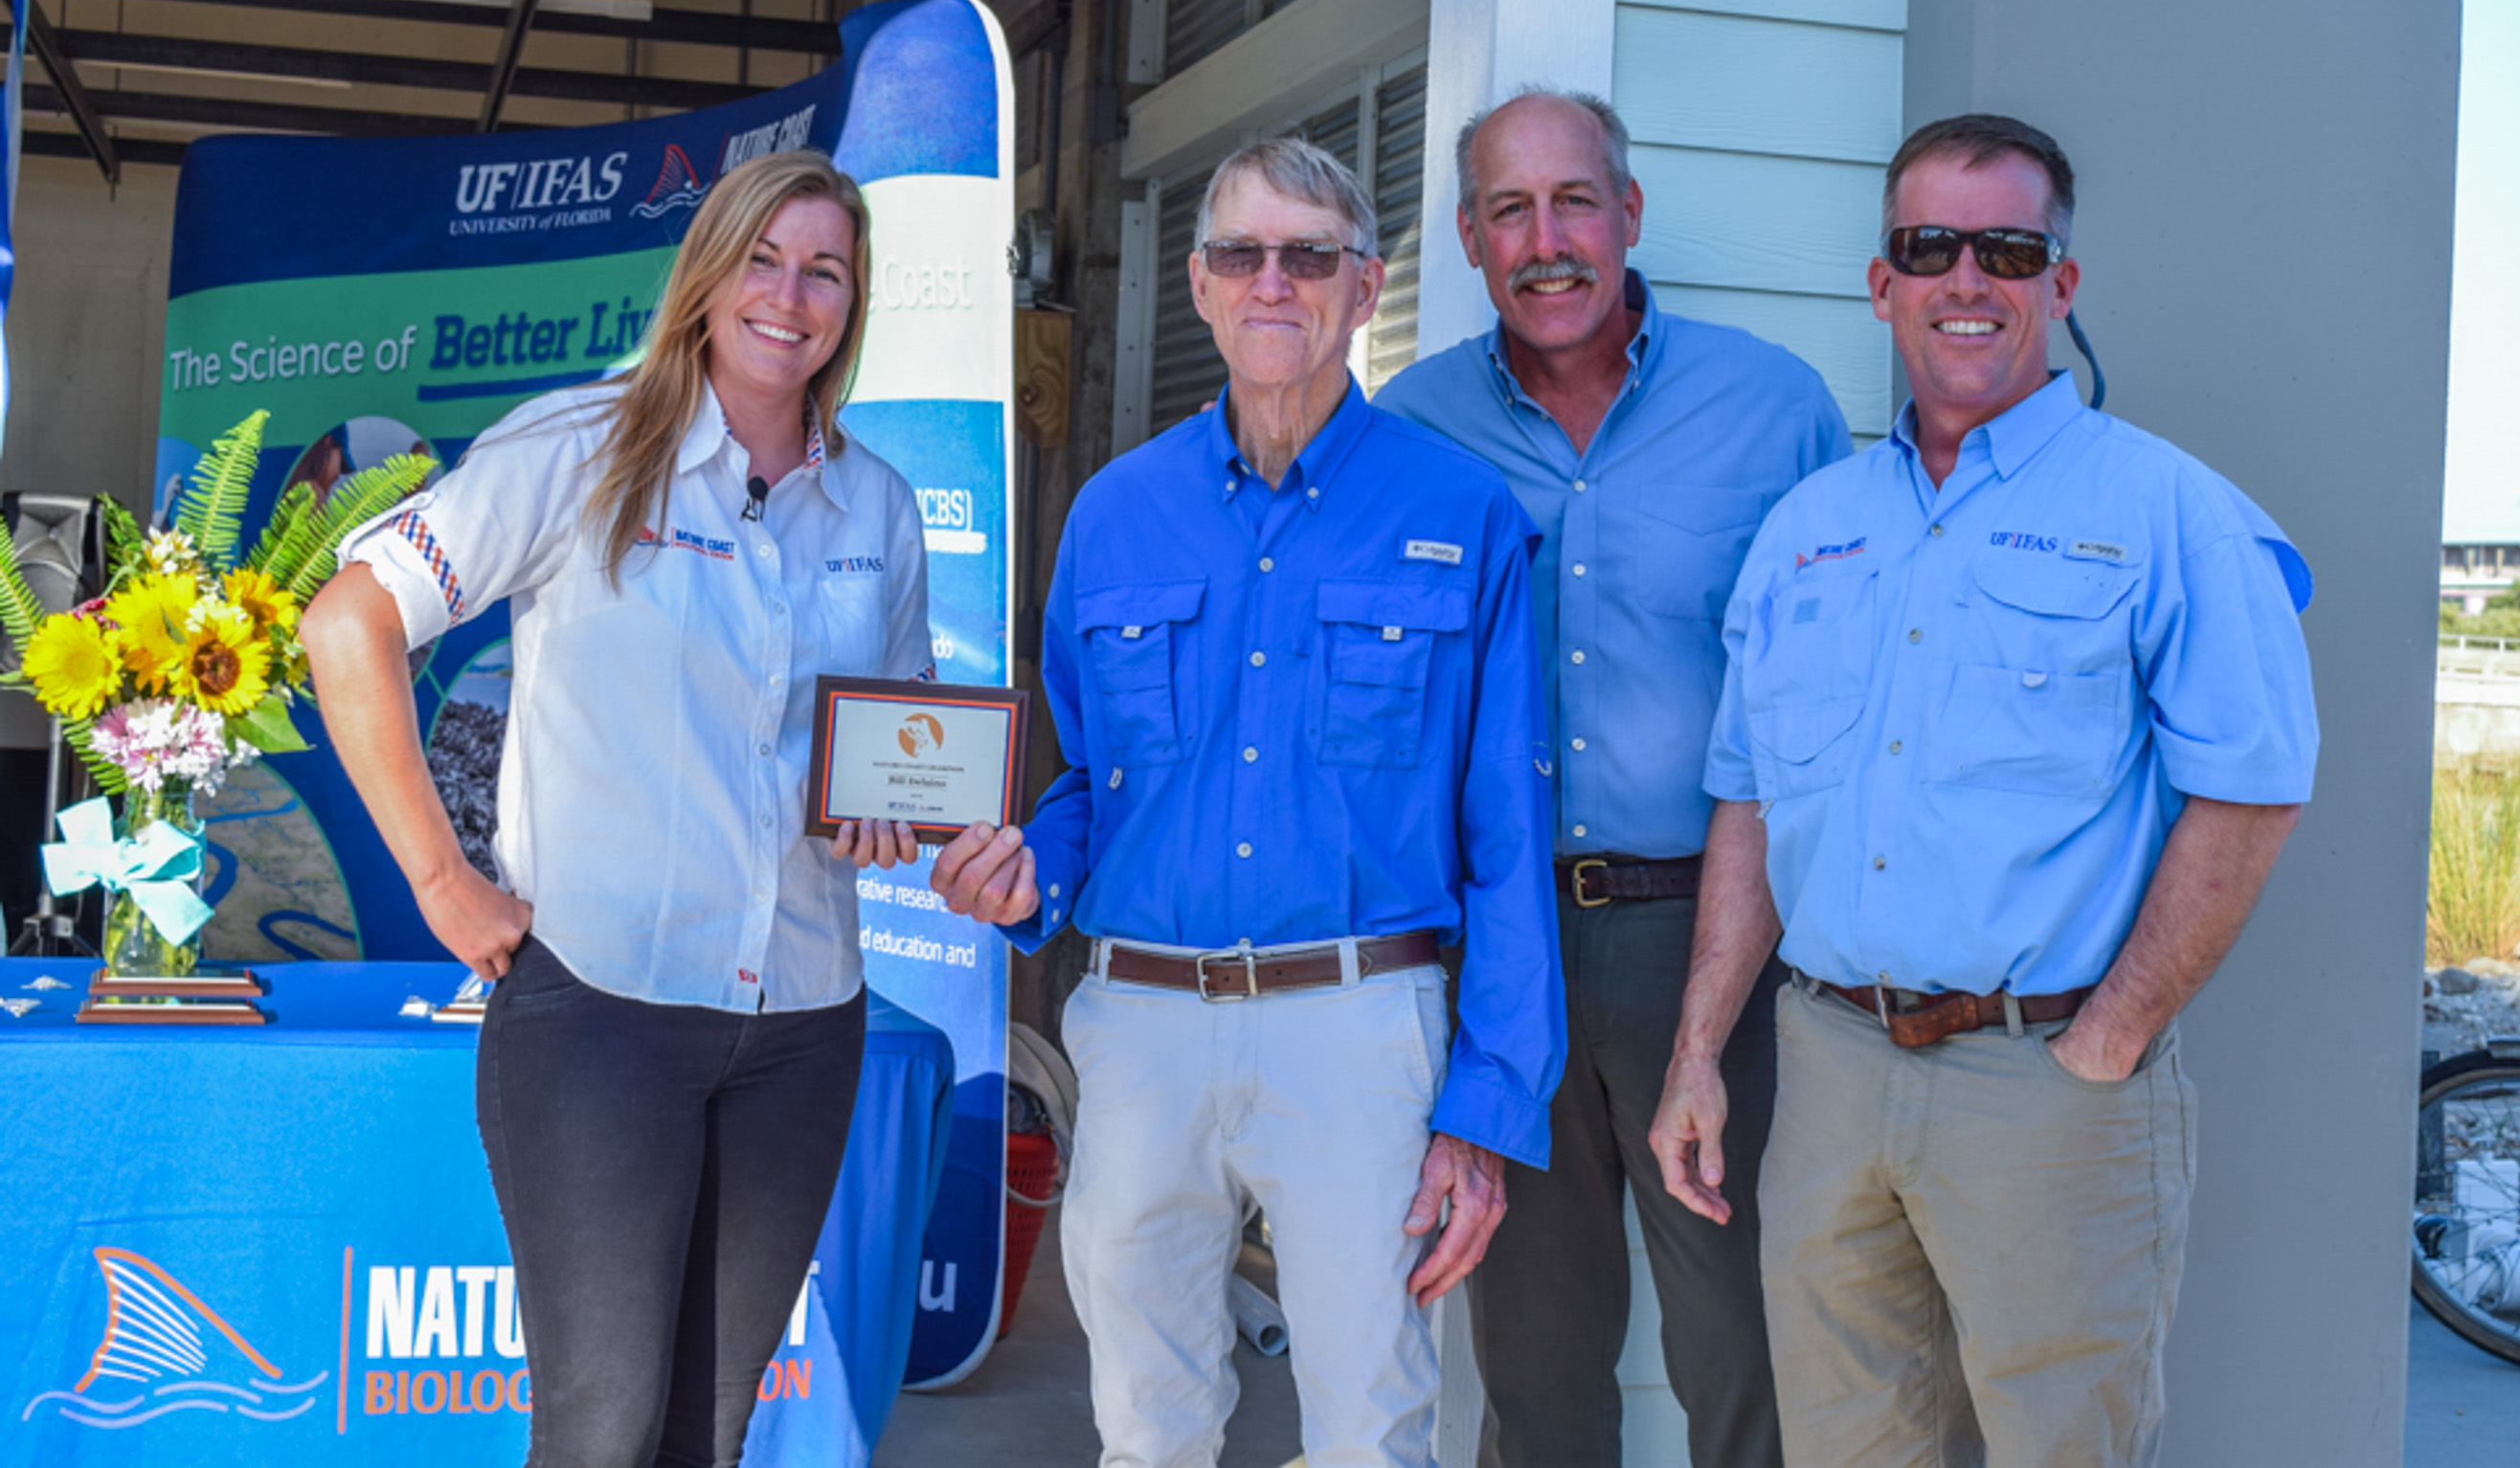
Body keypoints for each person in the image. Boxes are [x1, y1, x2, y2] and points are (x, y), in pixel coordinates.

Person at [877, 137, 1563, 1467]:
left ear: (1364, 287)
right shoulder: (1115, 513)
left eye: (1308, 255)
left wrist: (1486, 1104)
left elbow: (1506, 834)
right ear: (1196, 283)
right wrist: (1030, 874)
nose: (1273, 281)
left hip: (1360, 1029)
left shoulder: (1461, 512)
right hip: (1143, 1028)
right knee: (1146, 1425)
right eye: (1241, 254)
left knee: (1370, 1429)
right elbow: (1089, 783)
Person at [1649, 114, 2318, 1467]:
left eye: (2006, 249)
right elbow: (1750, 801)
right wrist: (1698, 1051)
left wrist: (2107, 1041)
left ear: (2058, 282)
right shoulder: (1809, 529)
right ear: (1881, 281)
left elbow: (2250, 794)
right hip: (1830, 1074)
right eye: (1928, 246)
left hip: (2046, 1084)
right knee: (1843, 1449)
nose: (1966, 278)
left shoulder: (2169, 513)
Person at [303, 147, 932, 1468]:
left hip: (804, 1019)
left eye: (824, 270)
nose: (789, 295)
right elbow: (347, 624)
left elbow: (895, 737)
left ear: (853, 301)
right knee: (601, 1431)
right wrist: (441, 880)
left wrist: (890, 813)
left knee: (708, 1433)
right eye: (761, 258)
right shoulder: (579, 447)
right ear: (706, 275)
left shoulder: (876, 503)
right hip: (602, 1015)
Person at [1377, 89, 1847, 1468]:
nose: (1547, 241)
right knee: (1534, 1360)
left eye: (1574, 201)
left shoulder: (1773, 410)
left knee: (1742, 1346)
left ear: (1628, 212)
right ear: (1469, 236)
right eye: (1510, 210)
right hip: (1496, 945)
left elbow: (1832, 696)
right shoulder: (1406, 431)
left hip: (1709, 939)